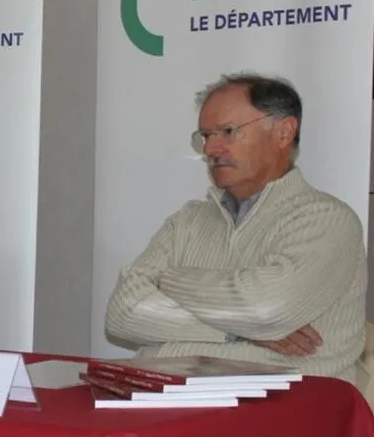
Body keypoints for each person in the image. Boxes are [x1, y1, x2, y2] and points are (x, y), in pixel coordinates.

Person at [105, 73, 366, 383]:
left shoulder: (326, 219)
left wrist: (167, 279)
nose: (211, 150)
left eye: (228, 132)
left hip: (275, 403)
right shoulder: (189, 219)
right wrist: (236, 332)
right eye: (206, 136)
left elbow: (266, 309)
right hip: (157, 395)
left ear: (284, 132)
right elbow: (123, 314)